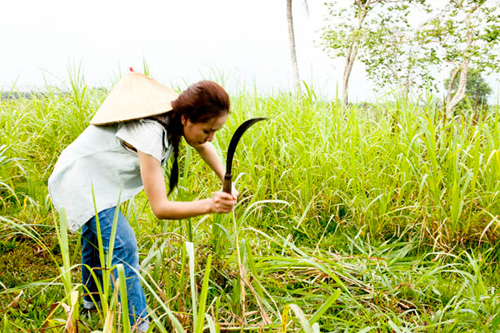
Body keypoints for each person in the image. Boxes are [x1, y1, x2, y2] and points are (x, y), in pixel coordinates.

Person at [48, 70, 237, 331]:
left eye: (215, 131)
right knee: (123, 245)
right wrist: (210, 205)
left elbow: (203, 145)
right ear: (185, 118)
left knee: (96, 237)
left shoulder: (176, 115)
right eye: (207, 130)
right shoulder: (151, 132)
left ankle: (91, 307)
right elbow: (160, 208)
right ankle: (138, 326)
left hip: (94, 178)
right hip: (78, 179)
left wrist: (227, 179)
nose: (211, 137)